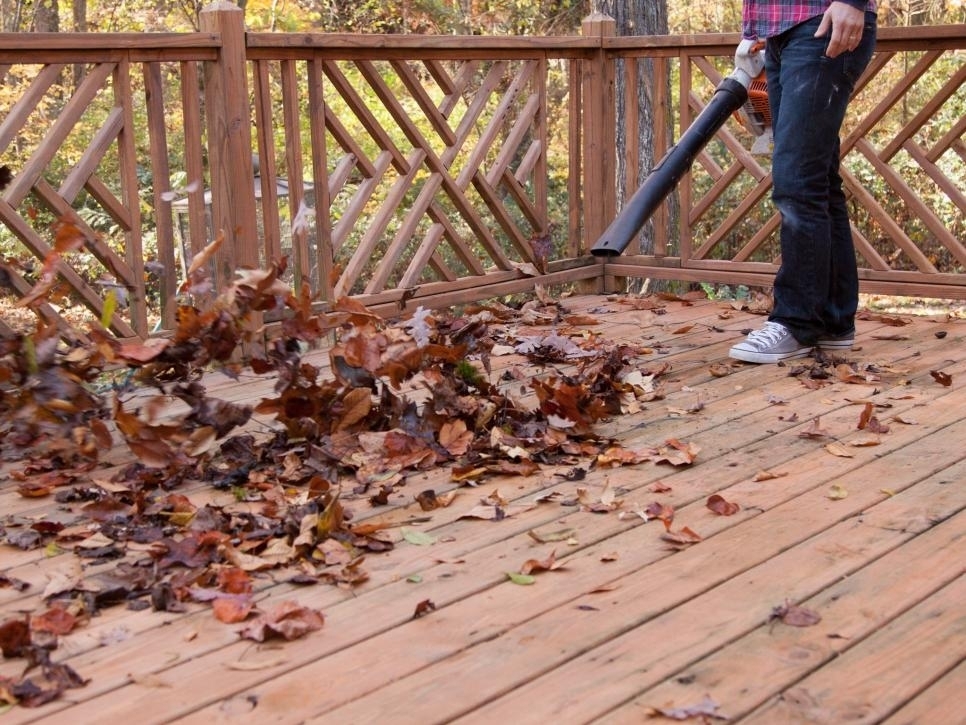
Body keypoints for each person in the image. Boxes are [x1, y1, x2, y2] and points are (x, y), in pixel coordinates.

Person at [729, 0, 878, 364]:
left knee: (796, 181)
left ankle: (796, 321)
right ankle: (833, 321)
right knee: (817, 180)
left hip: (823, 21)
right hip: (781, 32)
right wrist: (754, 33)